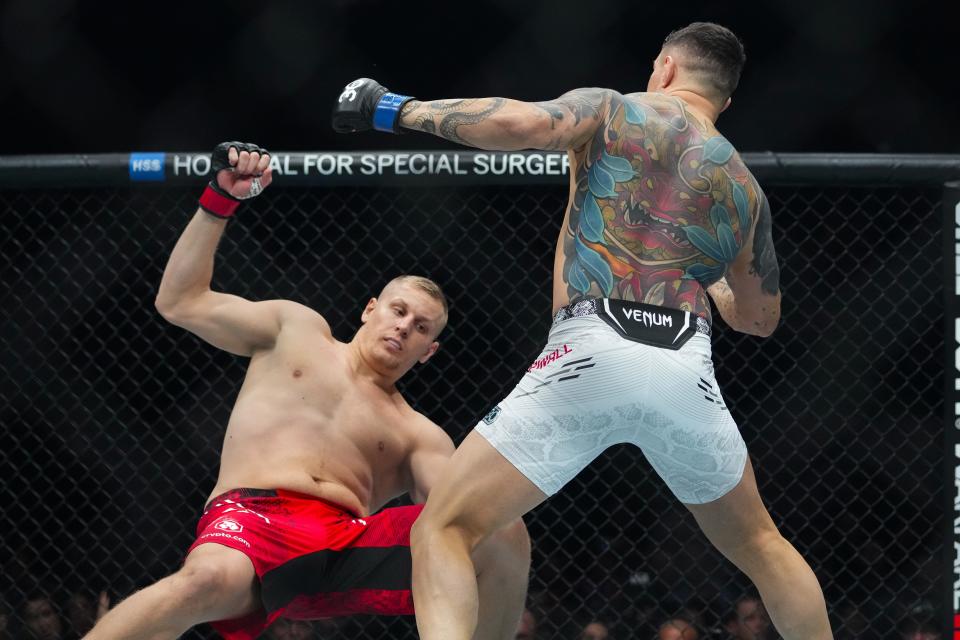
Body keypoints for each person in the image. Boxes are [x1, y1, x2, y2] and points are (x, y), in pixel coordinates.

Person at [332, 20, 830, 640]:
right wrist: (707, 276)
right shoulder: (743, 191)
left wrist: (391, 109)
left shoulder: (613, 110)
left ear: (665, 66)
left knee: (445, 527)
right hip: (684, 364)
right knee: (762, 544)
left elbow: (518, 126)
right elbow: (759, 319)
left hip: (592, 345)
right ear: (725, 101)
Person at [83, 142, 530, 640]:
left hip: (347, 548)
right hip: (253, 521)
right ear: (369, 309)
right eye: (398, 310)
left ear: (429, 351)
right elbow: (180, 301)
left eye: (421, 327)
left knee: (501, 528)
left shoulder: (417, 434)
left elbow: (456, 515)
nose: (404, 327)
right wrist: (219, 201)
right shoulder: (296, 330)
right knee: (201, 582)